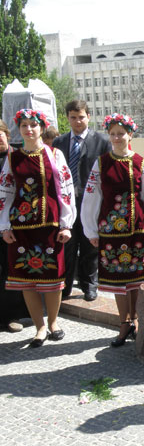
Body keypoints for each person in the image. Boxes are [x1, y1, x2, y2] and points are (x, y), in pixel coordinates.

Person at [81, 113, 144, 347]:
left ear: (130, 135)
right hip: (110, 230)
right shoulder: (101, 163)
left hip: (137, 227)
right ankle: (123, 322)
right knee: (118, 279)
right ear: (109, 136)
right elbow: (91, 198)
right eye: (113, 134)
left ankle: (136, 320)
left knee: (136, 278)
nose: (117, 137)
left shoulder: (140, 162)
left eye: (121, 133)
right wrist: (91, 230)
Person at [0, 109, 76, 347]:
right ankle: (39, 328)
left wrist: (67, 223)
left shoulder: (55, 154)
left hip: (50, 227)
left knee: (52, 278)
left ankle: (53, 322)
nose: (29, 129)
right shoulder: (13, 158)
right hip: (22, 229)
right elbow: (5, 192)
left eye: (33, 125)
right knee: (26, 279)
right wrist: (4, 226)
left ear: (42, 128)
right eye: (24, 125)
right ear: (19, 129)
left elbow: (66, 189)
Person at [53, 100, 111, 301]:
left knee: (90, 245)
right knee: (68, 245)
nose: (78, 121)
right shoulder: (59, 143)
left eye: (81, 117)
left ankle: (90, 285)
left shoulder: (102, 142)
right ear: (68, 118)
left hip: (90, 202)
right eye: (73, 117)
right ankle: (66, 286)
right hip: (66, 202)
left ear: (88, 117)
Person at [0, 120, 29, 333]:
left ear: (7, 134)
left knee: (11, 269)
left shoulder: (18, 157)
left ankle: (11, 315)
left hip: (13, 223)